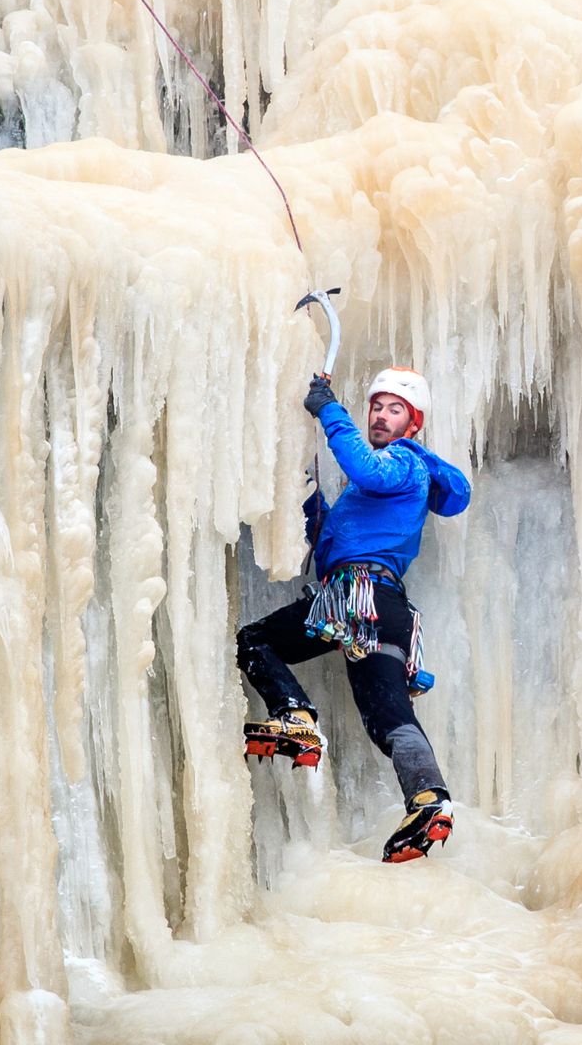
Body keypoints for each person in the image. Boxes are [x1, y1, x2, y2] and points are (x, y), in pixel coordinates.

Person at [238, 366, 471, 863]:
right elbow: (339, 530)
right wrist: (307, 498)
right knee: (389, 716)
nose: (382, 417)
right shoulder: (377, 490)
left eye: (395, 410)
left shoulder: (405, 462)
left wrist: (328, 410)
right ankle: (429, 798)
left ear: (414, 424)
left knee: (256, 640)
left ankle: (295, 716)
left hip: (356, 596)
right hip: (384, 609)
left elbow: (368, 469)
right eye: (377, 406)